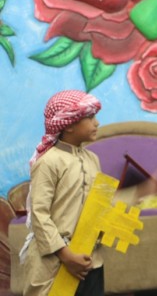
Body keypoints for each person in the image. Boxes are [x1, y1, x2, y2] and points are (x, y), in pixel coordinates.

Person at [22, 90, 105, 296]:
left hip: (90, 261)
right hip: (54, 262)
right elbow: (39, 215)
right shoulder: (49, 162)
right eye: (90, 117)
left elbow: (99, 206)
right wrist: (66, 255)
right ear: (68, 125)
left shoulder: (93, 159)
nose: (97, 123)